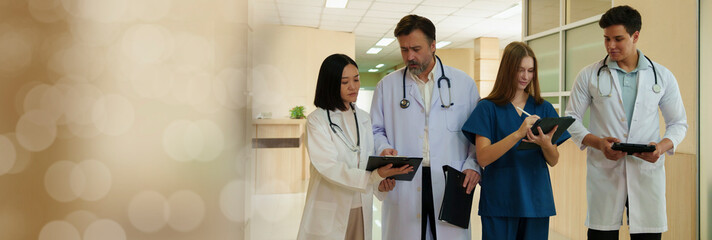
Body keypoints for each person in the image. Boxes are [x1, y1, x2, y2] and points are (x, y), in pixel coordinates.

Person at [564, 6, 687, 240]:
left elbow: (679, 123)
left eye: (618, 39)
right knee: (602, 234)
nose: (611, 45)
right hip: (605, 172)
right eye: (607, 39)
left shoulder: (662, 76)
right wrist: (598, 143)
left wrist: (661, 148)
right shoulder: (589, 75)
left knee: (647, 235)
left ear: (635, 36)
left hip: (645, 171)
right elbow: (571, 119)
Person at [370, 15, 481, 240]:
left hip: (450, 180)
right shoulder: (387, 86)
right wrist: (383, 148)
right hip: (405, 181)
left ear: (433, 46)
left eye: (416, 48)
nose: (409, 56)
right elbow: (375, 130)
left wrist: (473, 165)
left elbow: (478, 134)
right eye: (403, 49)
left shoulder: (463, 84)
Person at [461, 41, 570, 240]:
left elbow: (553, 160)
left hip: (535, 200)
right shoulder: (487, 108)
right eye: (520, 70)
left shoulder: (543, 108)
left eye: (530, 70)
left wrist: (545, 144)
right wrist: (518, 134)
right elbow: (483, 158)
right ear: (507, 69)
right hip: (500, 201)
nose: (525, 76)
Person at [297, 54, 413, 240]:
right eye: (345, 82)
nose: (354, 86)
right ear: (331, 84)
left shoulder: (364, 118)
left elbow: (366, 162)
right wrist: (374, 176)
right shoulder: (316, 121)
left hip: (360, 206)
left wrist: (380, 183)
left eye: (356, 79)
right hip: (330, 208)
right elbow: (328, 166)